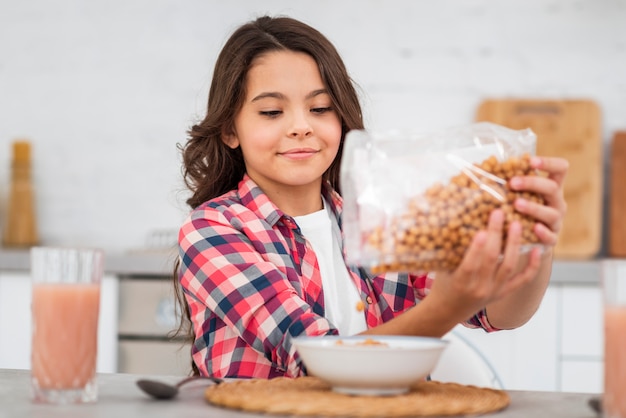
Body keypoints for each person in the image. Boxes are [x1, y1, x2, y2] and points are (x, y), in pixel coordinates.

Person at [173, 15, 568, 379]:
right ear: (230, 130)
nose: (300, 126)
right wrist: (448, 305)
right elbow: (317, 360)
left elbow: (499, 313)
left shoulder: (385, 219)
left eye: (320, 107)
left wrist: (536, 239)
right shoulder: (211, 231)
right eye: (272, 112)